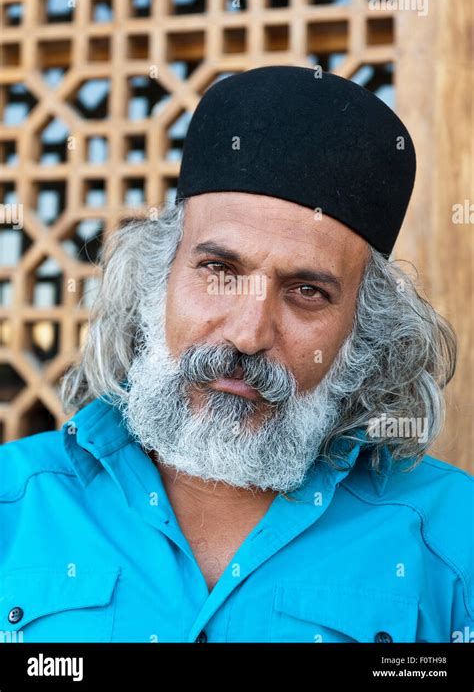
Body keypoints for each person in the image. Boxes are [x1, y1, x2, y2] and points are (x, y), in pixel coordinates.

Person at [0, 67, 472, 644]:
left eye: (306, 292)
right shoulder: (14, 504)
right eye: (219, 271)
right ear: (158, 279)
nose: (249, 335)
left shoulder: (453, 539)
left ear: (364, 331)